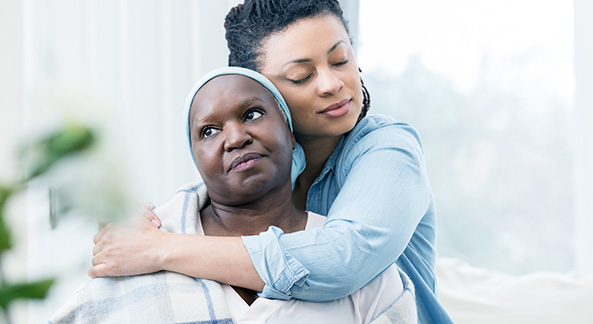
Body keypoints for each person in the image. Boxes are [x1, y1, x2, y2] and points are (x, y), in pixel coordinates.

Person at [91, 1, 454, 323]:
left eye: (341, 59)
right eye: (301, 76)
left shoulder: (388, 148)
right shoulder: (257, 173)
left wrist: (156, 249)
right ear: (262, 93)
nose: (331, 83)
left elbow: (344, 261)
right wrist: (137, 228)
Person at [51, 67, 416, 323]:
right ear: (195, 159)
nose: (235, 138)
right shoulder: (132, 257)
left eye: (253, 114)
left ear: (291, 134)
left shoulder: (366, 271)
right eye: (209, 131)